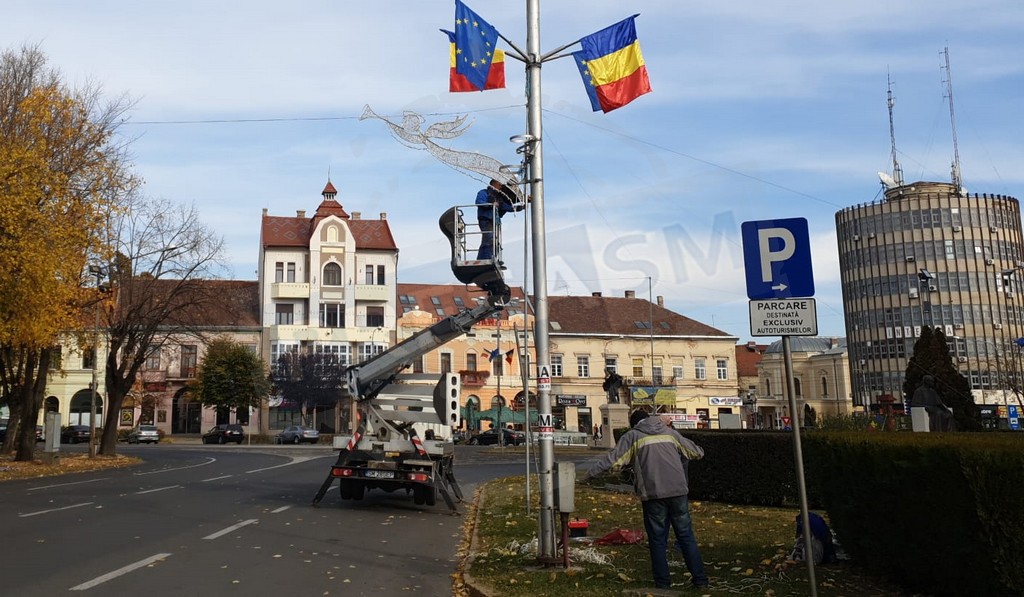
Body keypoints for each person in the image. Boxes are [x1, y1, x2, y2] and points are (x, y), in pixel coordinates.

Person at [581, 409, 709, 590]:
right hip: (678, 492)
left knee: (657, 539)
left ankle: (663, 584)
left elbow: (612, 460)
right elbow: (696, 452)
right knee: (686, 535)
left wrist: (588, 476)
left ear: (634, 424)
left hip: (653, 494)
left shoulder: (632, 436)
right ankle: (701, 581)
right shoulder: (670, 432)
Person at [475, 179, 523, 260]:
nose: (501, 186)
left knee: (493, 241)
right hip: (486, 219)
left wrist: (519, 207)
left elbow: (506, 207)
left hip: (495, 221)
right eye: (499, 184)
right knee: (489, 239)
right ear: (494, 184)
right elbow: (479, 202)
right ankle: (486, 258)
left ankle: (491, 257)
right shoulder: (484, 192)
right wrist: (490, 205)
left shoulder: (498, 197)